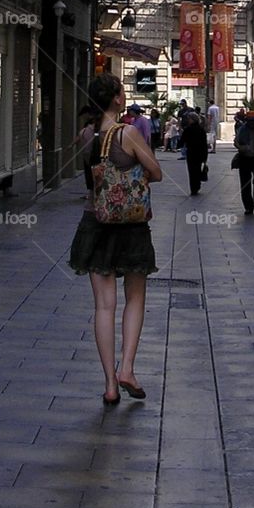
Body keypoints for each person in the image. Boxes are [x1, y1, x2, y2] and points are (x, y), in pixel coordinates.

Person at [68, 74, 163, 405]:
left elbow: (89, 180)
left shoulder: (85, 135)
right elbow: (157, 172)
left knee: (103, 306)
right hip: (130, 227)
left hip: (94, 223)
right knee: (134, 298)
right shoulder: (128, 133)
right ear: (118, 99)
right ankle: (127, 369)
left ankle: (109, 384)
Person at [180, 110, 209, 195]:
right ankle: (197, 184)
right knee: (197, 168)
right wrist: (205, 156)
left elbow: (182, 142)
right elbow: (204, 143)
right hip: (200, 153)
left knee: (191, 170)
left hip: (191, 152)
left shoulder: (188, 129)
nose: (188, 120)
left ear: (192, 119)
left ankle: (194, 187)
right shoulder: (201, 130)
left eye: (189, 118)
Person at [76, 105, 97, 193]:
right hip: (87, 152)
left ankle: (92, 191)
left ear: (88, 114)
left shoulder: (94, 123)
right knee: (88, 173)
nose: (83, 118)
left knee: (91, 173)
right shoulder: (88, 124)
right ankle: (91, 191)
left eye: (84, 116)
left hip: (92, 152)